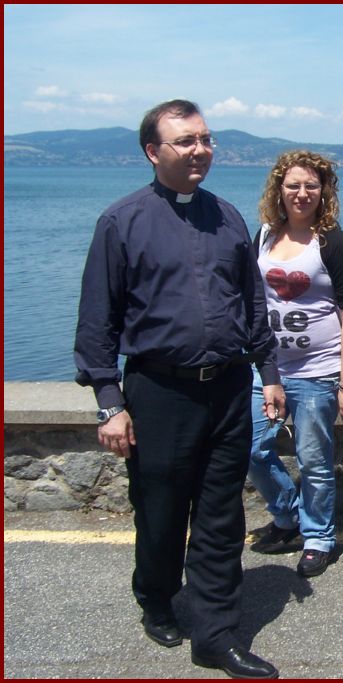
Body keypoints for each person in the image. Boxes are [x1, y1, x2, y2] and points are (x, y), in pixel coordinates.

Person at [73, 99, 284, 679]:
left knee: (222, 516)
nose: (200, 150)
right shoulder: (121, 222)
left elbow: (252, 304)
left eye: (206, 139)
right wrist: (109, 403)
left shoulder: (230, 218)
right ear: (153, 151)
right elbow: (97, 323)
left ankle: (215, 635)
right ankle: (157, 596)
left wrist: (269, 375)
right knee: (161, 512)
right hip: (158, 393)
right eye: (185, 141)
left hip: (227, 389)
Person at [245, 150, 343, 578]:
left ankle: (318, 537)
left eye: (311, 185)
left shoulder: (333, 243)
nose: (302, 193)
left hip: (318, 371)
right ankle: (287, 515)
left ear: (324, 192)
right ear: (279, 189)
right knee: (251, 449)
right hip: (269, 371)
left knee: (313, 460)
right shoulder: (263, 236)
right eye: (293, 185)